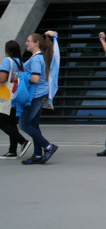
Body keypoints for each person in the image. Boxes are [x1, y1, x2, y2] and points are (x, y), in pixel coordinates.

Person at [19, 30, 59, 165]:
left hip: (35, 95)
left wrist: (19, 76)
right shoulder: (40, 57)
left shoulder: (36, 59)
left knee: (24, 124)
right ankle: (37, 154)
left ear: (36, 43)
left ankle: (47, 146)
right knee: (33, 125)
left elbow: (35, 78)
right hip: (40, 94)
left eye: (28, 41)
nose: (26, 43)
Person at [0, 41, 31, 159]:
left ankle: (22, 141)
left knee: (2, 122)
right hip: (16, 95)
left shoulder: (7, 61)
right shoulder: (20, 63)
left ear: (7, 50)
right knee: (12, 122)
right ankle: (12, 151)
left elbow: (2, 78)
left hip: (6, 96)